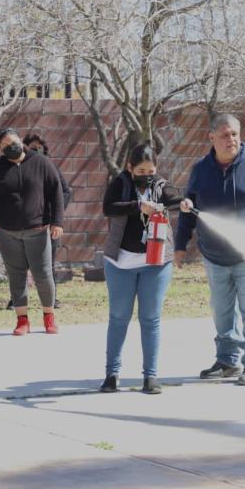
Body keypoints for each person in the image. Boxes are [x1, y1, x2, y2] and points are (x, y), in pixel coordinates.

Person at [175, 114, 245, 386]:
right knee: (222, 311)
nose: (232, 140)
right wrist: (180, 246)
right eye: (226, 135)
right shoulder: (200, 169)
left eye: (236, 134)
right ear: (211, 137)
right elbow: (188, 208)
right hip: (214, 256)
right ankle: (227, 361)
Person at [100, 144, 184, 395]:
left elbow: (172, 196)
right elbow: (109, 207)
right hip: (121, 263)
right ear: (129, 168)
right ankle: (112, 373)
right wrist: (138, 207)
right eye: (141, 170)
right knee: (118, 318)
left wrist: (184, 202)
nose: (147, 174)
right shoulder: (121, 183)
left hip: (155, 264)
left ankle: (151, 376)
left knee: (150, 319)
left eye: (151, 169)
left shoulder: (159, 185)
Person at [0, 128, 65, 335]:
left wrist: (57, 222)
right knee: (16, 275)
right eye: (5, 146)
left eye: (13, 142)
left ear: (20, 141)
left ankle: (49, 316)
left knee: (43, 275)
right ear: (1, 150)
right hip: (6, 232)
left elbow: (57, 192)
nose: (11, 147)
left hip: (38, 229)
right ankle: (22, 320)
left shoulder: (41, 163)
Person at [3, 133, 71, 310]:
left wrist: (55, 216)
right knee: (19, 265)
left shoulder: (49, 166)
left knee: (48, 264)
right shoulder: (14, 167)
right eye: (33, 148)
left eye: (40, 148)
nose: (37, 151)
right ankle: (16, 299)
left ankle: (52, 299)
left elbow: (65, 192)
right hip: (21, 226)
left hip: (47, 226)